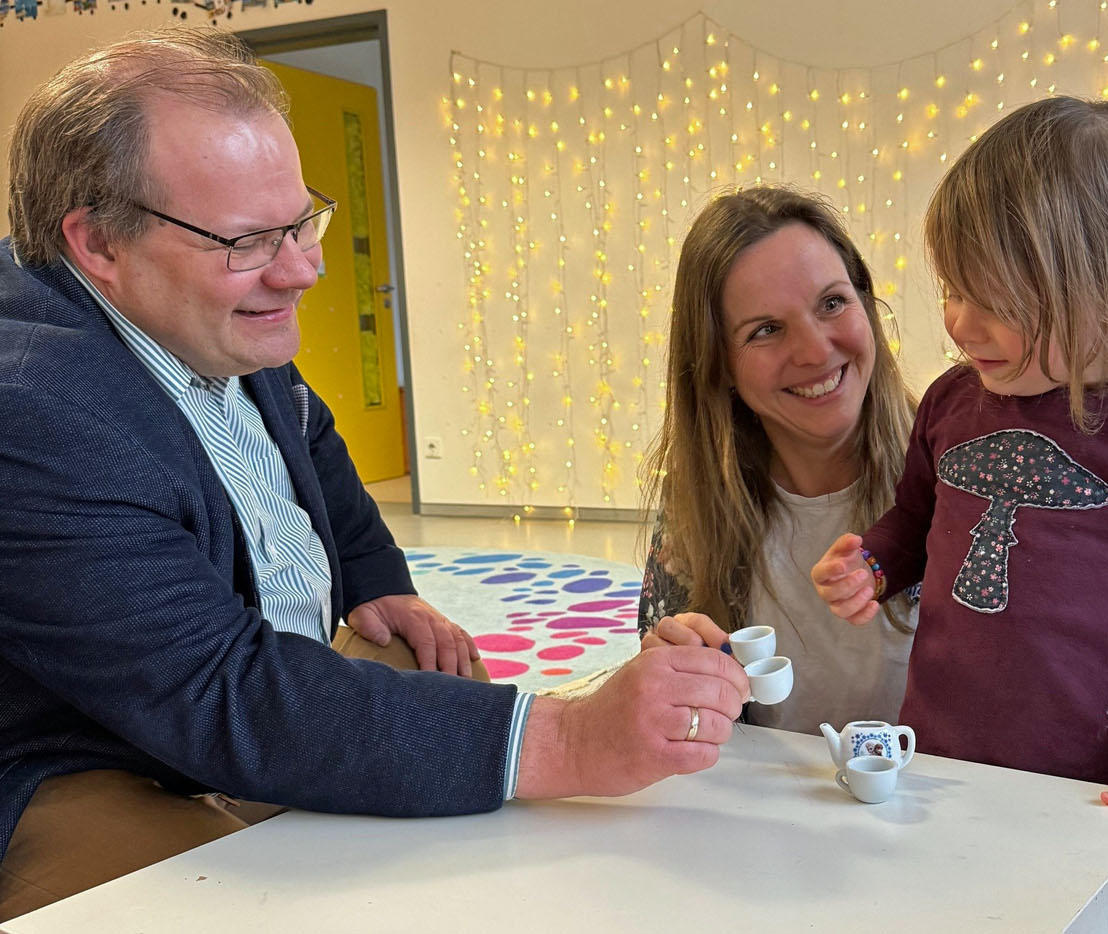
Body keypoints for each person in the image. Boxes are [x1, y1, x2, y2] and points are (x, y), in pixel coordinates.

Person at [0, 29, 746, 921]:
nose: (303, 269)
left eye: (300, 221)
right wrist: (571, 738)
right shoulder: (35, 405)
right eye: (248, 240)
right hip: (75, 752)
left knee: (432, 669)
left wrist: (375, 579)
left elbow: (311, 444)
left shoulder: (206, 310)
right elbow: (220, 692)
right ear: (98, 245)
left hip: (228, 683)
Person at [811, 97, 1108, 899]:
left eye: (998, 302)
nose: (960, 323)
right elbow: (917, 521)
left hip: (1097, 797)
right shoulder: (952, 403)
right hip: (944, 767)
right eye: (954, 289)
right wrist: (875, 562)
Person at [636, 186, 919, 734]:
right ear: (718, 366)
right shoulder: (696, 511)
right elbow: (688, 729)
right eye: (766, 330)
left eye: (832, 302)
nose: (815, 352)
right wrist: (673, 682)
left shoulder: (961, 478)